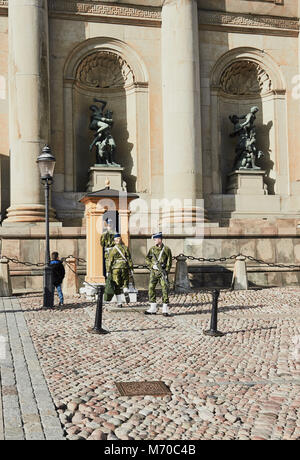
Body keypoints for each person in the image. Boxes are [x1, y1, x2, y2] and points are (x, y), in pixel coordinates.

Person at [145, 232, 172, 317]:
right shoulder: (152, 249)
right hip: (154, 272)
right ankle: (153, 307)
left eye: (156, 239)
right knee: (151, 288)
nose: (155, 241)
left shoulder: (166, 249)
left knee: (165, 288)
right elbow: (147, 258)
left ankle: (165, 308)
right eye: (154, 239)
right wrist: (152, 265)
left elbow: (169, 261)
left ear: (160, 239)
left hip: (162, 272)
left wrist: (166, 271)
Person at [106, 234, 134, 307]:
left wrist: (108, 271)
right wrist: (131, 269)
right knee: (125, 281)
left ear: (115, 241)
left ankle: (119, 302)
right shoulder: (125, 248)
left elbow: (110, 261)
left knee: (117, 285)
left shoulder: (113, 249)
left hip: (116, 268)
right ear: (120, 239)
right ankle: (125, 290)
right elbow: (129, 259)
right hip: (124, 267)